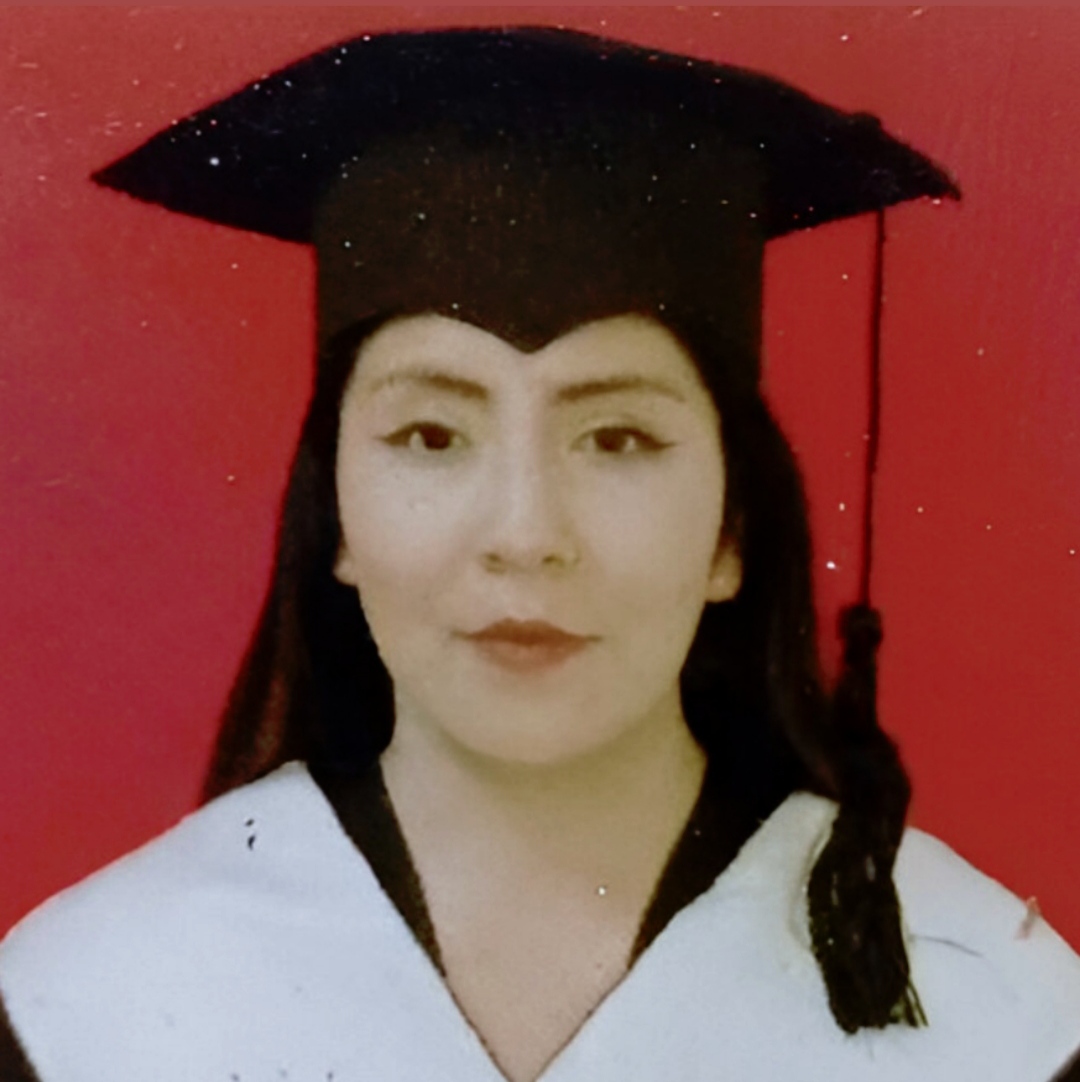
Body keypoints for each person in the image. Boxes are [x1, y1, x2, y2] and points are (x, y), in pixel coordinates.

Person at [1, 25, 1078, 1082]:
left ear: (732, 530)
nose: (525, 535)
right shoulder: (95, 1008)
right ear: (335, 514)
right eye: (432, 435)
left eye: (619, 439)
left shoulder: (997, 1015)